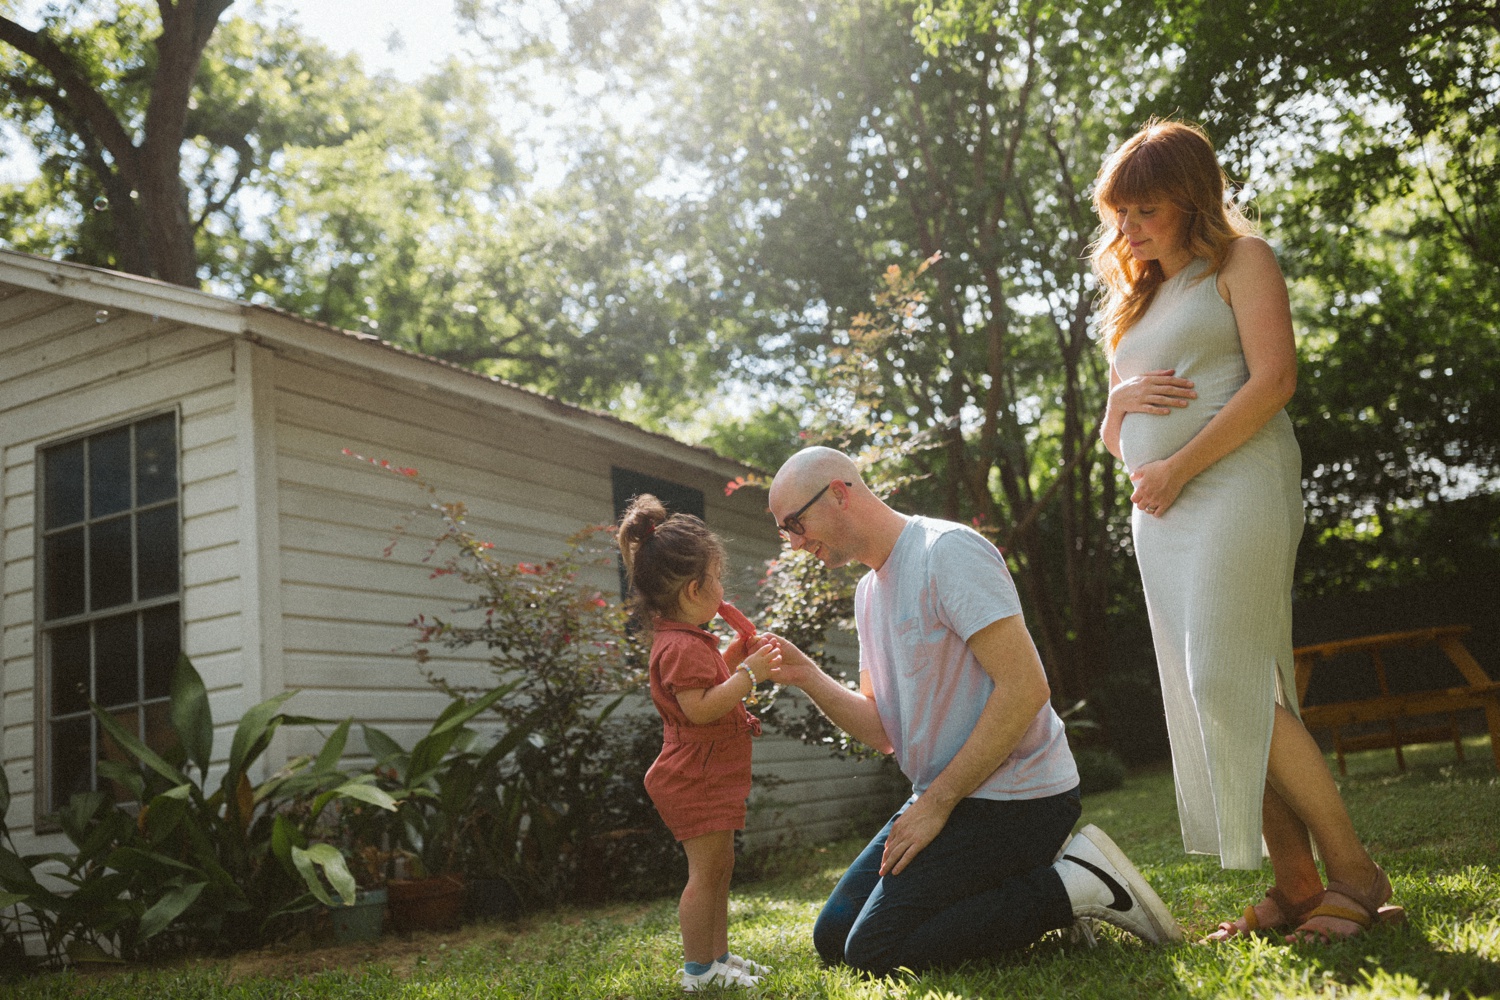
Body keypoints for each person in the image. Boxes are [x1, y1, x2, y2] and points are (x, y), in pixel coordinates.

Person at [1091, 118, 1403, 942]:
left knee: (1228, 680)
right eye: (1121, 212)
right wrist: (1114, 412)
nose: (1129, 228)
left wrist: (1180, 467)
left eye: (1146, 209)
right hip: (1163, 511)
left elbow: (1274, 382)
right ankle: (1297, 885)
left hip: (1236, 486)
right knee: (1217, 696)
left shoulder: (1242, 262)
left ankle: (1359, 877)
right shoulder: (1138, 298)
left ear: (1191, 199)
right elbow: (1119, 440)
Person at [763, 447, 1182, 978]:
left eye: (796, 523)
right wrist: (805, 674)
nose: (795, 542)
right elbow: (884, 731)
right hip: (950, 799)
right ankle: (1033, 883)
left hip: (1020, 798)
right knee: (833, 937)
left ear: (840, 493)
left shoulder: (948, 552)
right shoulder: (868, 593)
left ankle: (1074, 884)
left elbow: (1025, 689)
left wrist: (936, 804)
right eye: (785, 531)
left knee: (873, 952)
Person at [617, 494, 783, 990]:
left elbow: (708, 685)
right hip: (696, 774)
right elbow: (701, 708)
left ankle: (719, 958)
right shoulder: (683, 645)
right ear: (694, 590)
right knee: (705, 873)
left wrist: (734, 657)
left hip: (707, 769)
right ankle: (699, 972)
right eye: (717, 578)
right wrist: (750, 675)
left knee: (719, 867)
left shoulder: (689, 641)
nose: (722, 588)